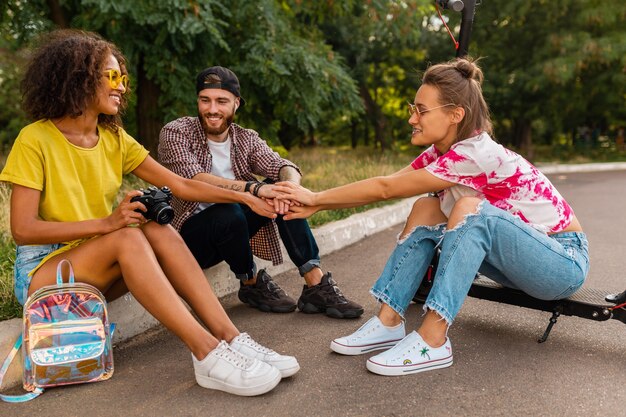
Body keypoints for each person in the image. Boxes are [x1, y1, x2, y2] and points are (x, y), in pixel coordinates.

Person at [0, 29, 300, 396]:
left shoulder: (113, 138)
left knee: (157, 228)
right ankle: (206, 354)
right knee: (128, 234)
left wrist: (249, 196)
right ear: (78, 78)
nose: (122, 87)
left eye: (122, 78)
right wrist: (107, 224)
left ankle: (231, 338)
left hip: (97, 268)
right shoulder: (35, 139)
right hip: (45, 275)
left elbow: (184, 185)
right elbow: (23, 229)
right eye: (112, 77)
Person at [279, 58, 589, 376]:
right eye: (413, 108)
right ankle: (389, 320)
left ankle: (433, 340)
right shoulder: (442, 153)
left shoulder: (475, 154)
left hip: (562, 262)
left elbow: (385, 189)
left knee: (470, 209)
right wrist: (318, 203)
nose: (412, 118)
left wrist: (316, 199)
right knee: (425, 209)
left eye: (421, 110)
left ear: (456, 115)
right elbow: (390, 184)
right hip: (520, 260)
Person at [157, 66, 363, 319]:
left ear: (236, 104)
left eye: (221, 101)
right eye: (205, 100)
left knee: (280, 189)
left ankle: (315, 283)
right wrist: (252, 189)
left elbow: (283, 165)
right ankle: (251, 284)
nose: (212, 109)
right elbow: (193, 180)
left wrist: (290, 188)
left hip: (236, 226)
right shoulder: (176, 132)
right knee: (230, 209)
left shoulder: (245, 138)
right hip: (190, 239)